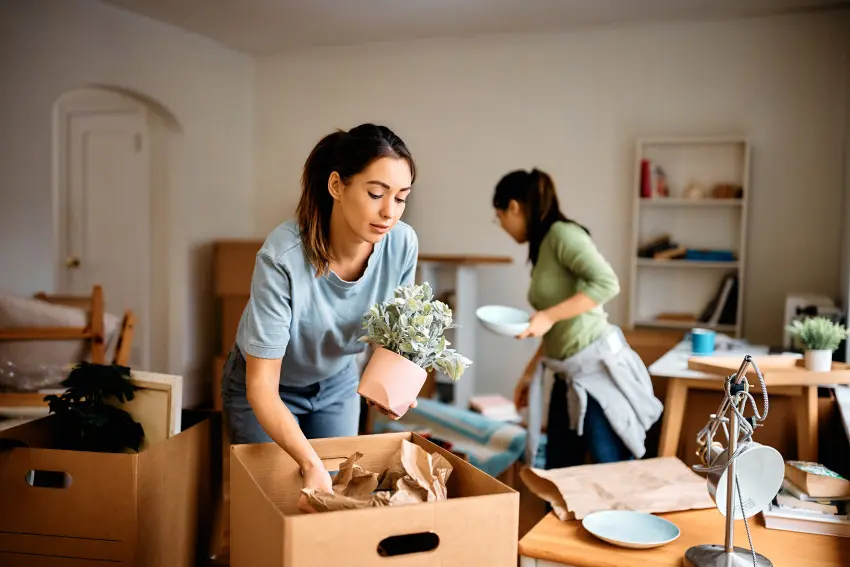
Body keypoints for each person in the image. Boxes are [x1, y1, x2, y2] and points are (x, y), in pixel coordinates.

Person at [220, 123, 419, 512]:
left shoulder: (402, 244)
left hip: (336, 383)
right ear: (336, 186)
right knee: (269, 510)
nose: (388, 212)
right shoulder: (283, 257)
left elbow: (390, 332)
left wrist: (392, 381)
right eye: (376, 194)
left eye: (401, 198)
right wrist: (310, 463)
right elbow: (262, 386)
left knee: (334, 505)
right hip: (264, 390)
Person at [492, 168, 662, 469]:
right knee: (558, 473)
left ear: (514, 207)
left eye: (499, 216)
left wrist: (546, 315)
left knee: (606, 469)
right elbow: (556, 324)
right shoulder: (543, 246)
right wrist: (530, 372)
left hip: (596, 372)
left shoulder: (562, 234)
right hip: (566, 373)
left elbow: (607, 283)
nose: (501, 225)